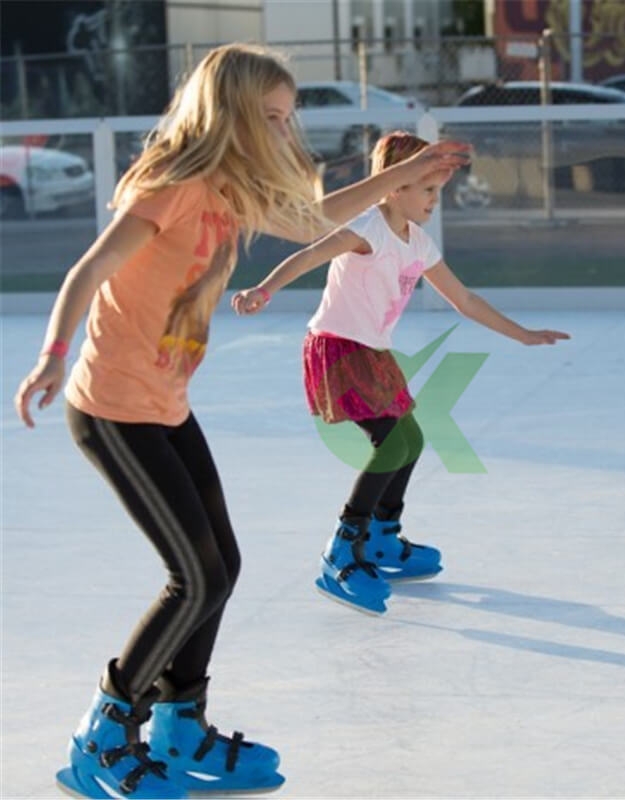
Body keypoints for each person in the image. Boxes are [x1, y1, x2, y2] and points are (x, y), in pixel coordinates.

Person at [13, 46, 469, 800]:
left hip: (165, 407)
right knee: (193, 577)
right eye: (270, 117)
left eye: (289, 118)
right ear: (229, 114)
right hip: (112, 409)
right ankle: (104, 732)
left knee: (220, 567)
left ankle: (178, 725)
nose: (284, 131)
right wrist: (55, 354)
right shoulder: (174, 183)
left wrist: (400, 177)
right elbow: (87, 269)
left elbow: (314, 219)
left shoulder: (232, 190)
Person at [231, 131, 570, 617]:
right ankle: (342, 549)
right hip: (337, 347)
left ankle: (384, 538)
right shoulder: (367, 227)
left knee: (410, 439)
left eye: (437, 191)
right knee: (391, 442)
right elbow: (309, 255)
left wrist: (522, 334)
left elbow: (465, 299)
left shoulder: (420, 244)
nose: (435, 201)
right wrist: (264, 290)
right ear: (395, 187)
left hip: (373, 351)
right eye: (427, 190)